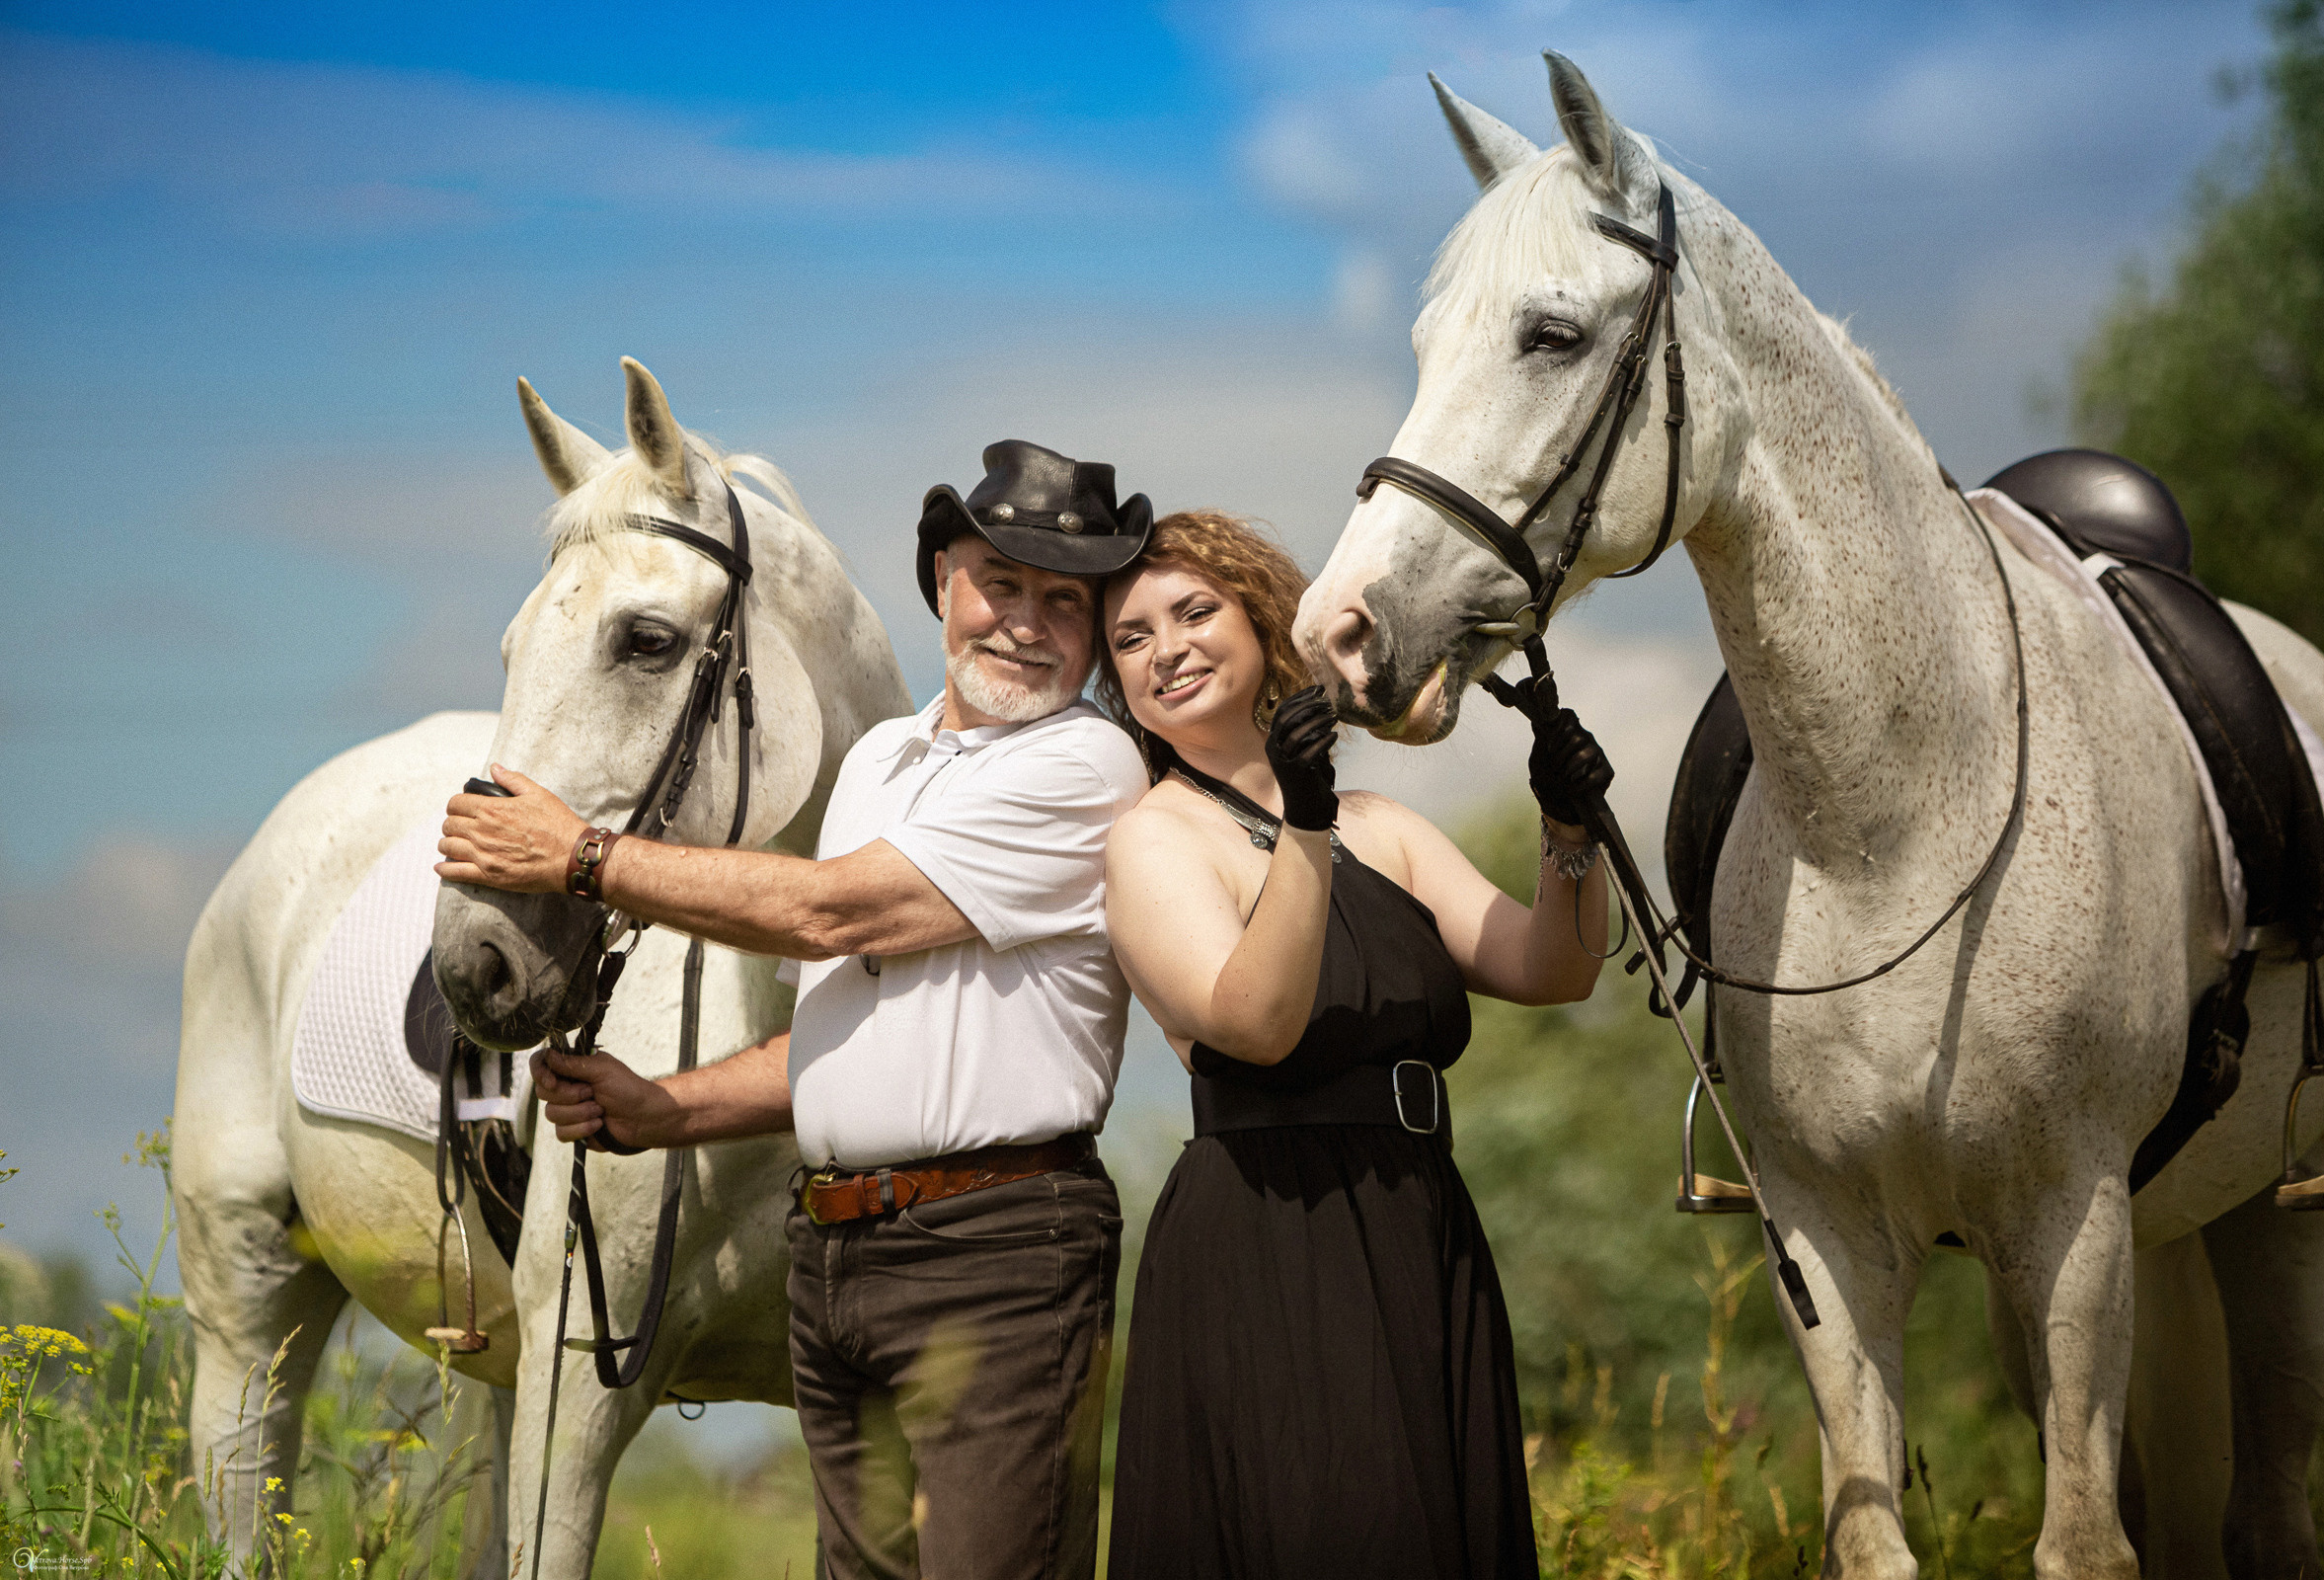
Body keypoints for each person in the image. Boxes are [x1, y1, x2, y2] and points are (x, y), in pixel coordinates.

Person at [435, 440, 1155, 1580]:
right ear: (941, 585)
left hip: (997, 1249)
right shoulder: (878, 761)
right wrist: (664, 1109)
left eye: (1064, 600)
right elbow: (843, 1030)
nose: (1024, 621)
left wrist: (577, 856)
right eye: (999, 583)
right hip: (841, 1255)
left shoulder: (1086, 762)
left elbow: (835, 913)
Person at [1094, 511, 1612, 1580]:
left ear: (1263, 620)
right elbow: (1254, 1021)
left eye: (1195, 611)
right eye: (1132, 639)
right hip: (1274, 1229)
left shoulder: (1385, 823)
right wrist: (1307, 830)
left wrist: (1570, 833)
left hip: (1418, 1212)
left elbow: (1552, 968)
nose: (1168, 649)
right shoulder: (1154, 839)